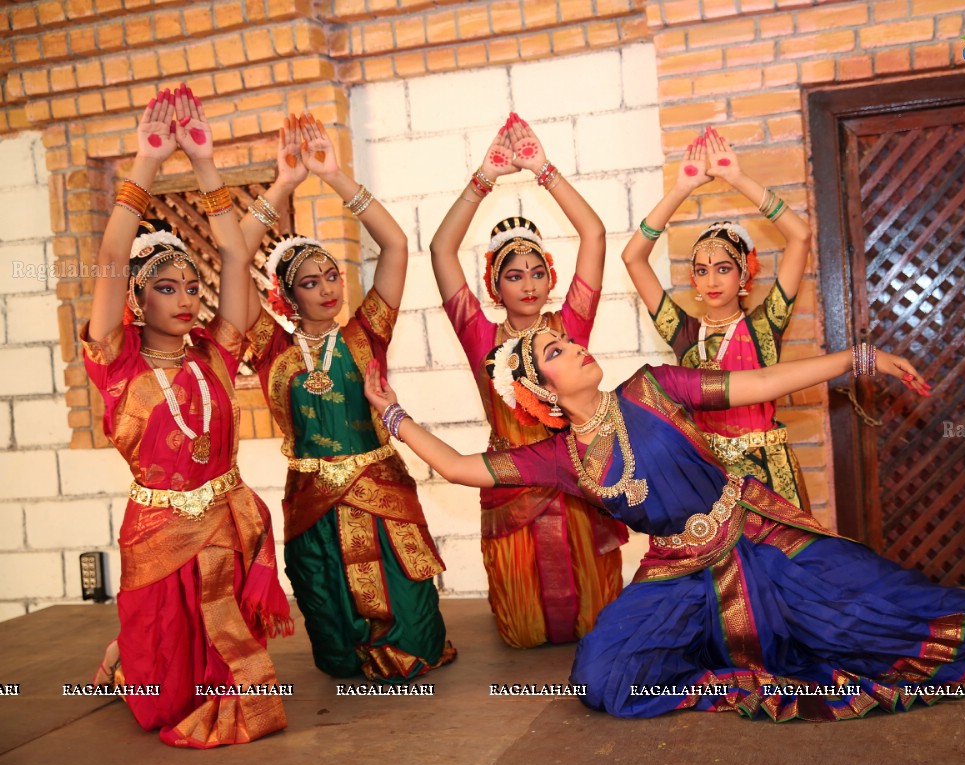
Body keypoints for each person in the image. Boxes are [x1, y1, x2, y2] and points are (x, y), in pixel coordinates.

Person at [362, 327, 965, 721]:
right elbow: (463, 468)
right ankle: (741, 673)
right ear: (542, 395)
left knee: (893, 606)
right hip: (680, 578)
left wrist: (856, 359)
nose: (571, 347)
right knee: (600, 675)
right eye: (550, 353)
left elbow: (758, 384)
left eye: (564, 338)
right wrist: (393, 414)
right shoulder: (558, 460)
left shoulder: (653, 388)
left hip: (764, 542)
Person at [83, 84, 292, 747]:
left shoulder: (214, 355)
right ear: (137, 301)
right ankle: (128, 655)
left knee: (232, 690)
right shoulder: (117, 365)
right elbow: (112, 258)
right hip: (156, 535)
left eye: (190, 287)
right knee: (161, 705)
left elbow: (235, 254)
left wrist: (205, 163)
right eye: (164, 288)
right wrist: (145, 163)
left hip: (225, 526)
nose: (183, 298)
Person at [238, 112, 454, 682]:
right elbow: (235, 261)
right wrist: (281, 187)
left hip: (382, 490)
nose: (329, 288)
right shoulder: (267, 348)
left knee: (413, 621)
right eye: (311, 282)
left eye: (332, 275)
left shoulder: (366, 333)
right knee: (333, 633)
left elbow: (395, 244)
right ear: (286, 297)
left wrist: (334, 176)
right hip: (312, 499)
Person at [428, 112, 626, 648]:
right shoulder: (480, 338)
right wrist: (483, 180)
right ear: (494, 285)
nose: (529, 284)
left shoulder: (569, 327)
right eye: (514, 275)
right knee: (525, 634)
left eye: (538, 272)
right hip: (511, 486)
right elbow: (440, 251)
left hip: (576, 482)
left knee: (595, 626)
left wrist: (544, 170)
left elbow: (594, 233)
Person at [622, 128, 834, 510]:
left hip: (769, 476)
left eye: (723, 268)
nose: (712, 279)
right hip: (709, 477)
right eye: (702, 271)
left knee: (783, 568)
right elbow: (633, 257)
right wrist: (680, 190)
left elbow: (800, 237)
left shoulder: (764, 326)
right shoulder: (682, 331)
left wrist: (737, 178)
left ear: (744, 275)